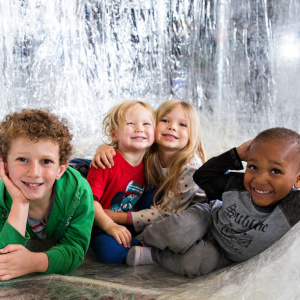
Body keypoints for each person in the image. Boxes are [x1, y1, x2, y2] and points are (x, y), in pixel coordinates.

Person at [126, 127, 300, 278]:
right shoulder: (237, 184)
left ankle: (154, 255)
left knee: (194, 264)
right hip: (209, 219)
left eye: (275, 171)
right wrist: (235, 155)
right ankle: (142, 239)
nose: (260, 179)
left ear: (298, 178)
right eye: (253, 167)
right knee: (177, 231)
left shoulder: (293, 206)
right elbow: (202, 177)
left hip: (223, 253)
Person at [0, 109, 94, 281]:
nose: (34, 172)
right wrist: (19, 203)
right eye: (22, 159)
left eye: (46, 161)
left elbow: (74, 249)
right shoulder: (0, 195)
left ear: (60, 170)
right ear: (4, 164)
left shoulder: (79, 192)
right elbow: (4, 262)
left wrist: (34, 262)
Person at [92, 99, 206, 234]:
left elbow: (169, 213)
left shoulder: (191, 166)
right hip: (157, 205)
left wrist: (118, 217)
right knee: (102, 163)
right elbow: (126, 149)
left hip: (187, 214)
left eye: (182, 124)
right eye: (165, 120)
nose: (172, 127)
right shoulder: (150, 151)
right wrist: (103, 148)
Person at [86, 100, 156, 264]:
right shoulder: (106, 162)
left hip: (131, 220)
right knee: (109, 251)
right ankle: (152, 251)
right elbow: (88, 203)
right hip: (100, 227)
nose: (139, 128)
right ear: (114, 135)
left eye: (146, 124)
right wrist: (109, 226)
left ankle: (142, 246)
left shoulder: (150, 164)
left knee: (159, 193)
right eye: (131, 123)